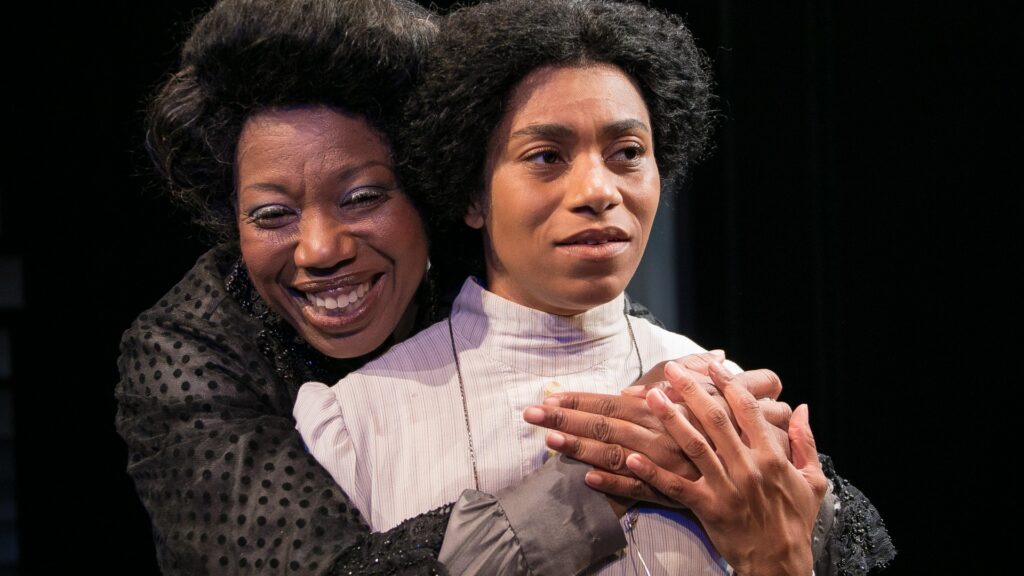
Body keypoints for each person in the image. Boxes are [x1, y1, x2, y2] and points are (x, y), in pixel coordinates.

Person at [115, 0, 793, 574]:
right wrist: (618, 469)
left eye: (363, 197)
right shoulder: (189, 353)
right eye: (271, 214)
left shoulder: (488, 270)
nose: (320, 250)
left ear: (432, 189)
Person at [294, 0, 893, 574]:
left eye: (627, 152)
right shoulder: (354, 425)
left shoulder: (727, 401)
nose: (598, 191)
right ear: (472, 194)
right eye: (547, 157)